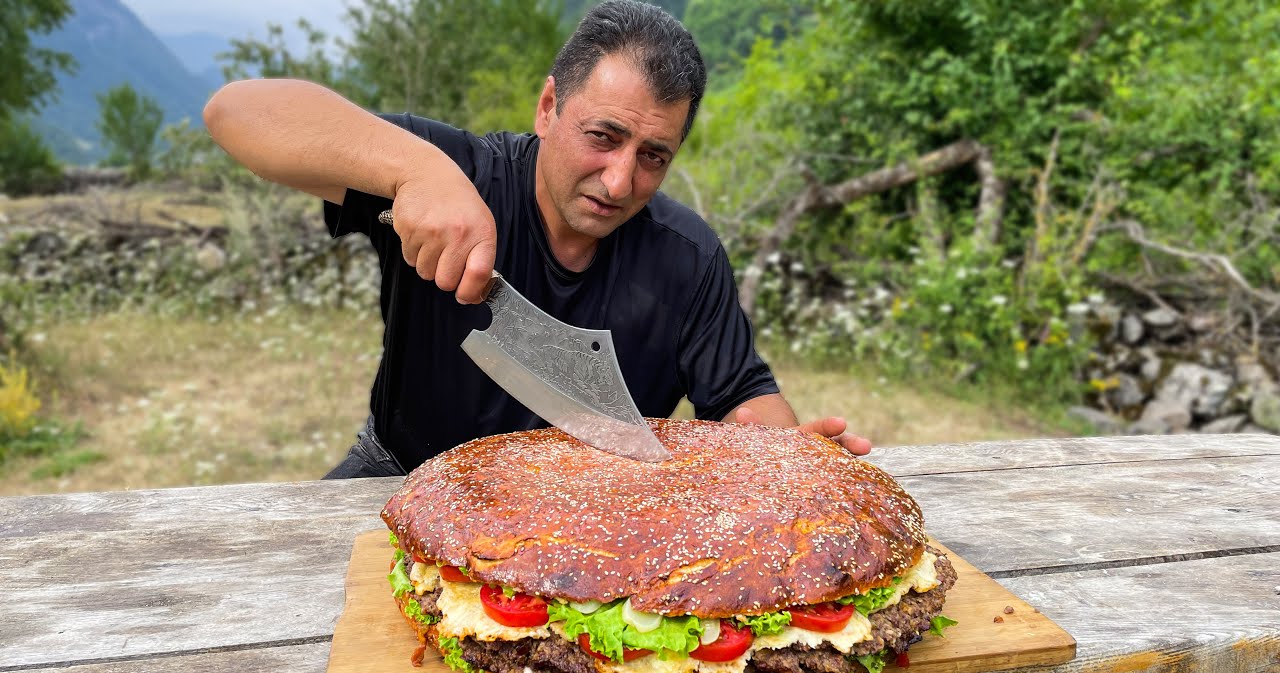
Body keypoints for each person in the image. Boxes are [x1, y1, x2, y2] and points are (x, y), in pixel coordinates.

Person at [203, 0, 870, 479]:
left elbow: (743, 396)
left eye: (653, 156)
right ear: (549, 107)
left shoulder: (686, 257)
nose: (618, 181)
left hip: (595, 508)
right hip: (401, 472)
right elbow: (238, 111)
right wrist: (417, 173)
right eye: (603, 137)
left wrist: (789, 461)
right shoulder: (462, 169)